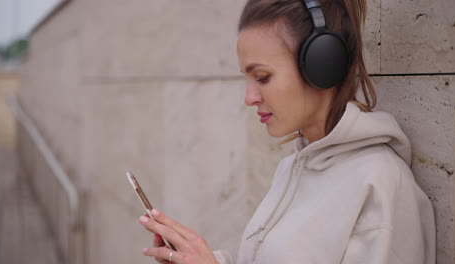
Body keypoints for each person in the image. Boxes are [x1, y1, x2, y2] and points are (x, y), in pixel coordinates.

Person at [138, 0, 436, 263]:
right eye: (248, 78)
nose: (249, 97)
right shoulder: (291, 169)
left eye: (263, 77)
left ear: (322, 65)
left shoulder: (381, 185)